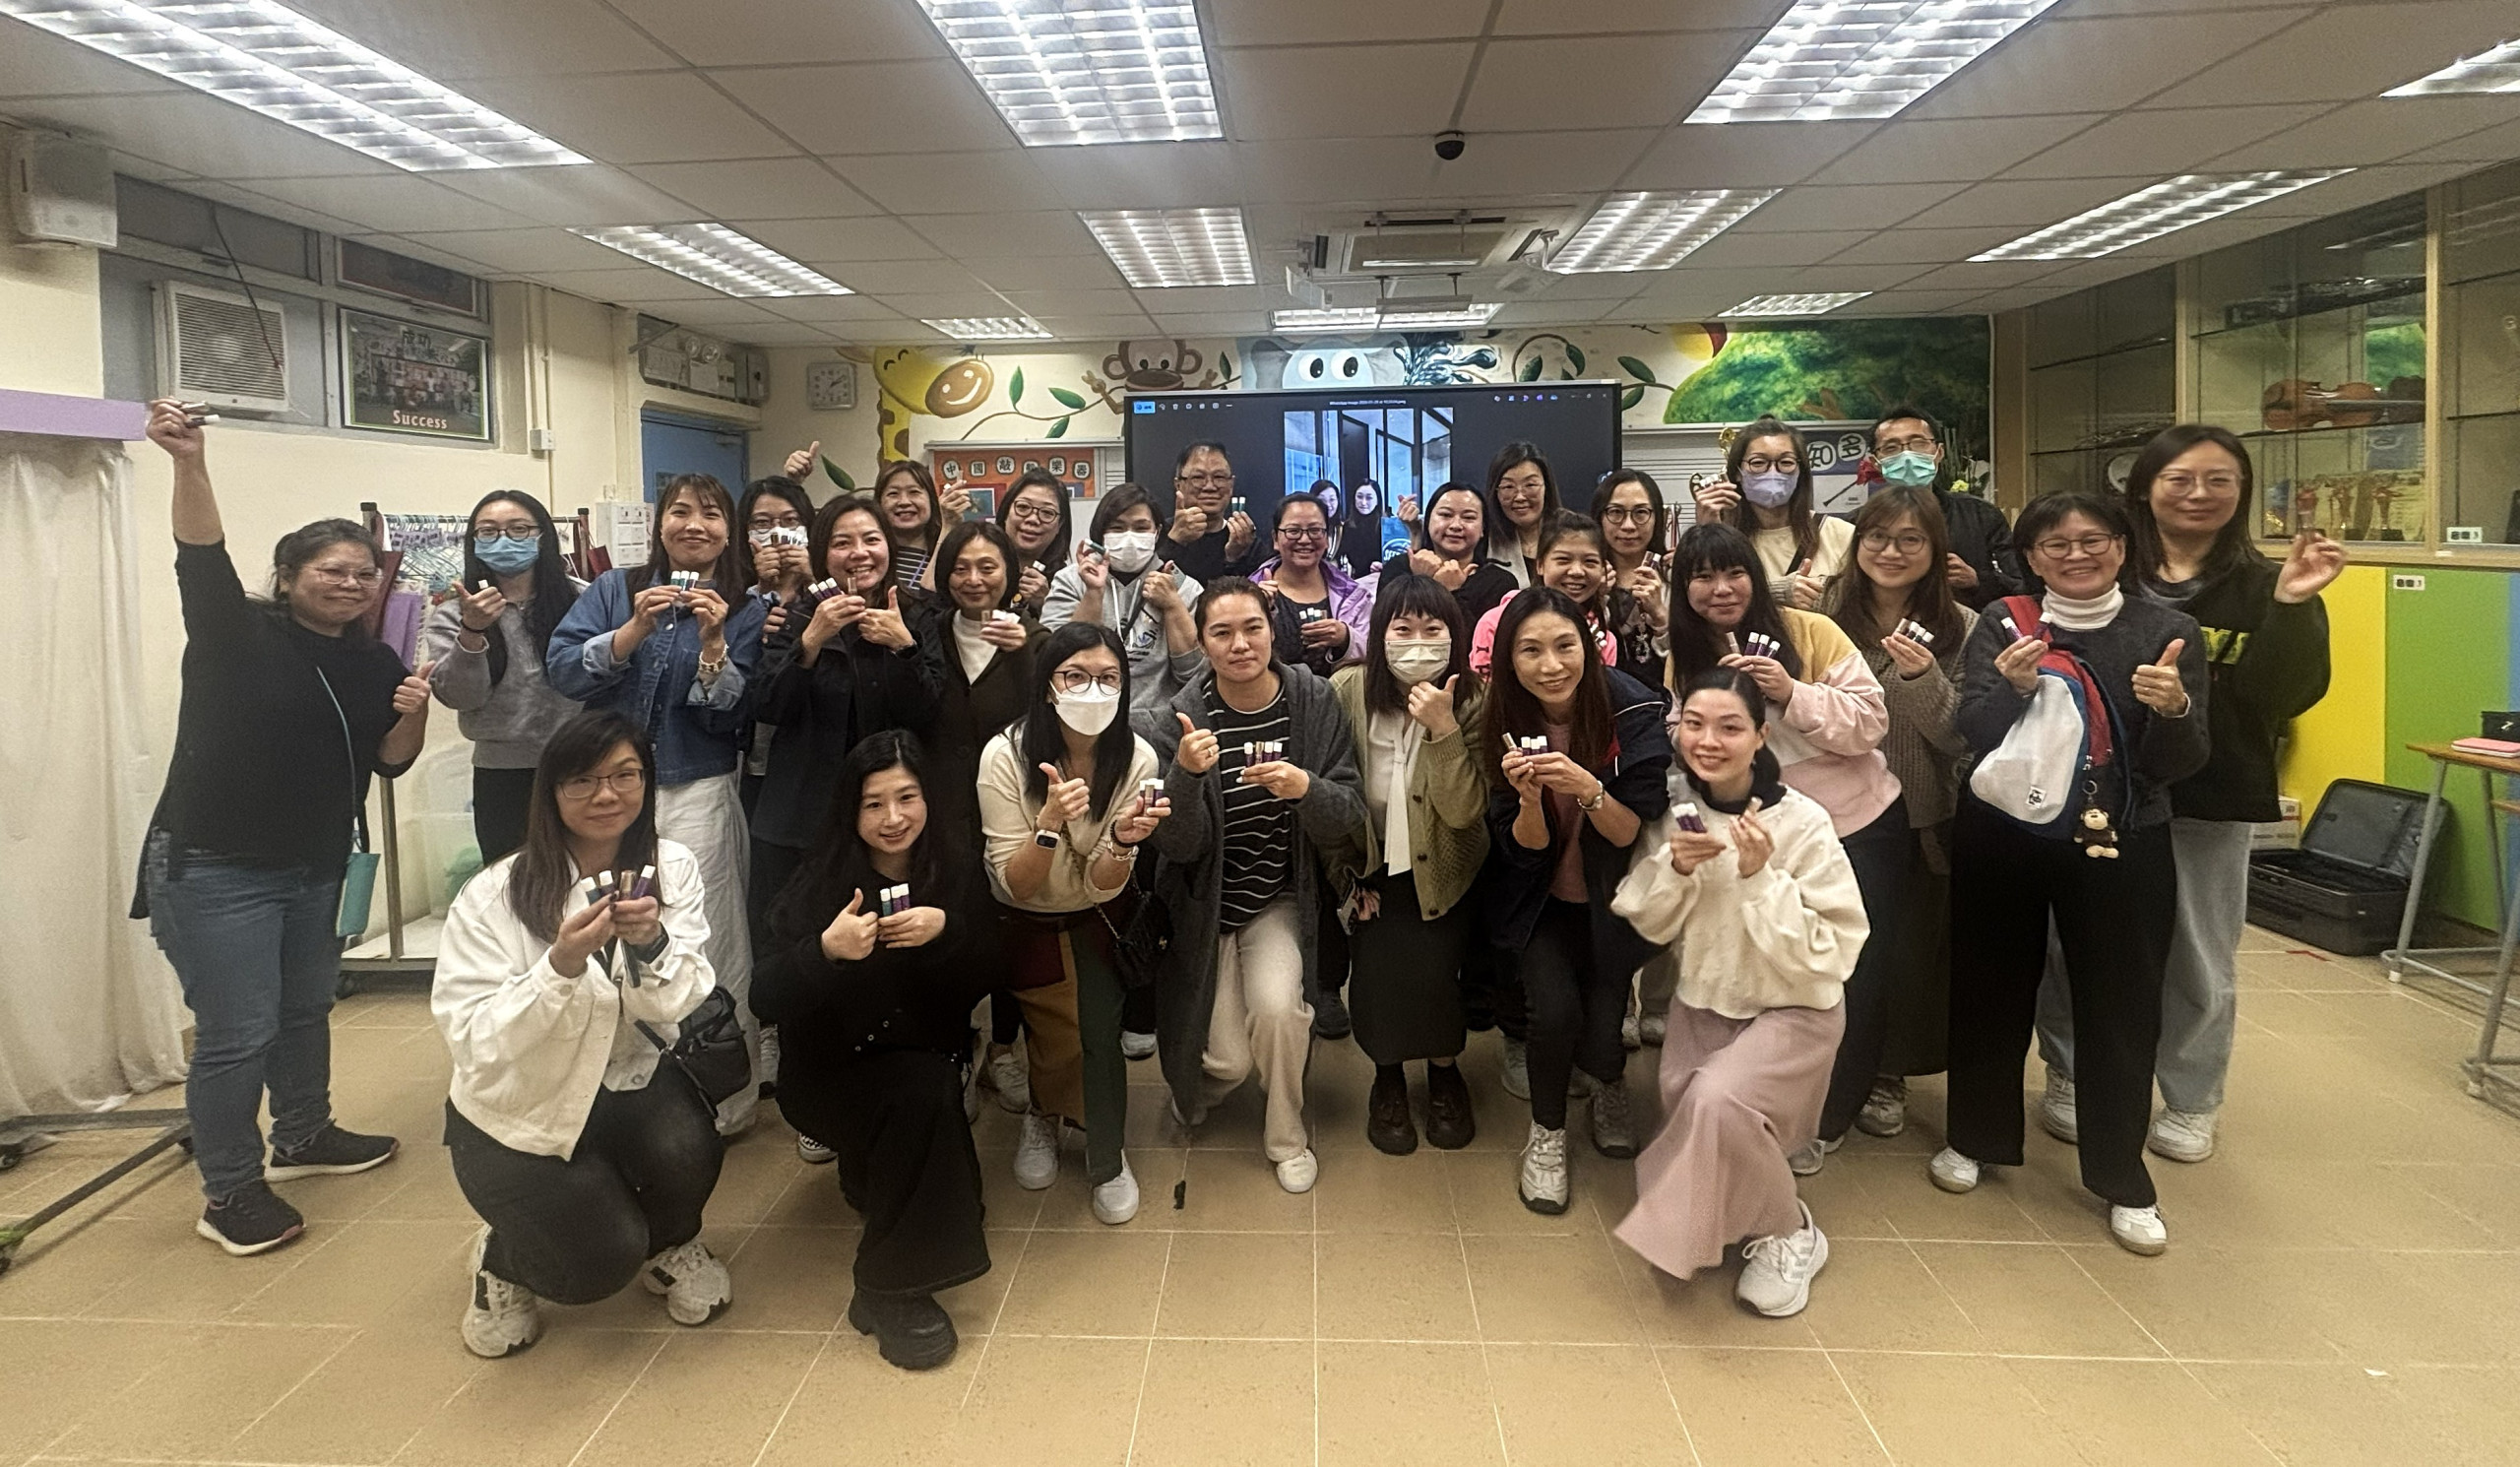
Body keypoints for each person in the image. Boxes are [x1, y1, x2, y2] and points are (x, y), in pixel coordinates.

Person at [136, 400, 425, 1256]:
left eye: (364, 574)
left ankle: (304, 1134)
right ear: (290, 575)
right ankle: (228, 1191)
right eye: (333, 570)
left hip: (316, 865)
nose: (351, 584)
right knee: (236, 1034)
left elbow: (390, 761)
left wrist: (414, 708)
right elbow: (200, 554)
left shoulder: (372, 658)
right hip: (216, 866)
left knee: (304, 1009)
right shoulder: (235, 632)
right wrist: (189, 462)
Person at [2035, 426, 2341, 1165]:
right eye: (2180, 479)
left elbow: (2282, 696)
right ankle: (2072, 1071)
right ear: (2144, 488)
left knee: (2196, 953)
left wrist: (2292, 607)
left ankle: (2192, 1096)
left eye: (2218, 480)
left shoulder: (2268, 582)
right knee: (2072, 941)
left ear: (2241, 492)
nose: (2198, 494)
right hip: (2096, 791)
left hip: (2211, 791)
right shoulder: (2108, 565)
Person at [1935, 489, 2210, 1257]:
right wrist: (2013, 689)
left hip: (2122, 836)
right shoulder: (2005, 620)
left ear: (2123, 546)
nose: (2076, 555)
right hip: (2003, 832)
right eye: (2056, 544)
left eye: (2093, 540)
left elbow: (2181, 765)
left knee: (2121, 1002)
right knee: (1988, 985)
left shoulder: (2167, 631)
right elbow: (1971, 732)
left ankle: (2121, 1175)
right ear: (2031, 556)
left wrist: (2174, 710)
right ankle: (1976, 1137)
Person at [433, 713, 732, 1358]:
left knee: (692, 1153)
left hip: (628, 1077)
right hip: (521, 1109)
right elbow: (475, 1042)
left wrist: (652, 943)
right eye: (584, 781)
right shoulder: (494, 895)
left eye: (626, 775)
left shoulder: (670, 866)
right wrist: (560, 967)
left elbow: (678, 1000)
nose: (607, 795)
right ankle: (503, 1261)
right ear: (551, 791)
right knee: (598, 1262)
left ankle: (668, 1245)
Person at [1608, 670, 1868, 1318]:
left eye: (1729, 727)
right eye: (1694, 724)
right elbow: (1645, 919)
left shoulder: (1802, 821)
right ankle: (1746, 1217)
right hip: (1706, 1001)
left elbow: (1834, 948)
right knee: (1698, 1117)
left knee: (1717, 1103)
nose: (1708, 741)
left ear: (1760, 737)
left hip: (1794, 1008)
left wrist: (1759, 879)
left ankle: (1792, 1232)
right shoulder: (1678, 814)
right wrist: (1675, 867)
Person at [754, 732, 1001, 1370]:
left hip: (925, 1065)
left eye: (907, 798)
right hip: (832, 1076)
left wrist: (947, 931)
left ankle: (869, 1172)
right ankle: (888, 1289)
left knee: (951, 1186)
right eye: (873, 804)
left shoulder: (951, 869)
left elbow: (992, 970)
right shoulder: (821, 882)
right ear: (850, 810)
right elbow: (764, 996)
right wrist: (824, 951)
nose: (893, 818)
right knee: (923, 1108)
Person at [1664, 521, 1899, 1176]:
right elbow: (1684, 743)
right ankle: (1759, 1106)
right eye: (1702, 577)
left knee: (1843, 978)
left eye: (1733, 572)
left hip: (1851, 825)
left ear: (1755, 578)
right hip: (1754, 840)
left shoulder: (1810, 632)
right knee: (1769, 973)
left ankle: (1827, 1118)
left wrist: (1791, 692)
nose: (1720, 588)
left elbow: (1871, 721)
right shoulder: (1686, 653)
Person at [547, 473, 770, 1133]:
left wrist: (713, 643)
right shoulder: (615, 590)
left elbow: (730, 713)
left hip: (695, 787)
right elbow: (564, 670)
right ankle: (617, 1088)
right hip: (608, 793)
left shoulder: (743, 606)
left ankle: (723, 1097)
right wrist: (632, 631)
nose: (694, 524)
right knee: (606, 929)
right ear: (659, 523)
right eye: (680, 511)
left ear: (728, 533)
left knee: (708, 935)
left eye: (711, 514)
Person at [1146, 580, 1366, 1193]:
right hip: (1206, 905)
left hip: (1278, 897)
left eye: (1253, 628)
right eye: (1221, 632)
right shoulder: (1178, 719)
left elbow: (1348, 811)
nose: (1240, 644)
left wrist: (1306, 788)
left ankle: (1286, 1134)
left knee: (1278, 1013)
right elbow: (1178, 847)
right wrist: (1186, 775)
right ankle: (1204, 1084)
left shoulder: (1313, 699)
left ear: (1273, 630)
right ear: (1202, 641)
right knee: (1227, 1059)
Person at [1481, 588, 1672, 1213]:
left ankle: (1609, 1081)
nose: (1551, 665)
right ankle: (1547, 1134)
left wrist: (1589, 789)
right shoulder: (1503, 717)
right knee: (1553, 1013)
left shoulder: (1633, 709)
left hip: (1612, 897)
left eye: (1565, 646)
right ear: (1508, 659)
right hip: (1541, 899)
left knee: (1604, 1021)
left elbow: (1627, 832)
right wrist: (1530, 802)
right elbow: (1525, 849)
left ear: (1590, 646)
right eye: (1530, 651)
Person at [976, 623, 1170, 1222]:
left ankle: (1106, 1155)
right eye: (1076, 676)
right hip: (1026, 919)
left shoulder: (1137, 757)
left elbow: (1102, 884)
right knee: (1049, 1033)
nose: (1093, 690)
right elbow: (1017, 882)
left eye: (1108, 678)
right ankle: (1043, 1115)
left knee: (1098, 1036)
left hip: (1098, 917)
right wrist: (1049, 824)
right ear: (1048, 685)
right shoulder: (1004, 755)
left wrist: (1124, 841)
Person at [1820, 486, 1977, 1140]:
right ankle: (1821, 1069)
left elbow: (1961, 734)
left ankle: (1888, 1072)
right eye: (1877, 537)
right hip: (1825, 816)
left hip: (1915, 817)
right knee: (1831, 953)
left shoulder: (1963, 627)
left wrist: (1920, 680)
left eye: (1911, 539)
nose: (1891, 551)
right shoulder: (1822, 614)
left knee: (1902, 954)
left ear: (1935, 550)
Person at [1326, 574, 1488, 1154]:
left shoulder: (1473, 698)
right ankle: (1388, 1078)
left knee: (1439, 976)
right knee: (1375, 979)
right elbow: (1332, 791)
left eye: (1432, 629)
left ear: (1454, 636)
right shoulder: (1346, 690)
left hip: (1447, 867)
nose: (1418, 643)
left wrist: (1443, 729)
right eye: (1403, 629)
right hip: (1370, 866)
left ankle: (1444, 1073)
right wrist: (1345, 879)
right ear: (1379, 634)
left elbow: (1465, 811)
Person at [751, 496, 940, 990]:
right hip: (804, 815)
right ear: (822, 554)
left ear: (888, 547)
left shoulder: (917, 614)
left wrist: (904, 646)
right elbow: (767, 708)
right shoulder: (795, 617)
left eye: (871, 539)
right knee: (803, 941)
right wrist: (811, 641)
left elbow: (932, 714)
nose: (859, 553)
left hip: (889, 814)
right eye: (842, 543)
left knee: (889, 941)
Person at [921, 519, 1049, 1116]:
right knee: (947, 930)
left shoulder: (1037, 640)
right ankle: (956, 1050)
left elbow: (1049, 721)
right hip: (939, 808)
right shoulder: (927, 632)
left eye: (988, 567)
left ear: (1010, 573)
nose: (974, 579)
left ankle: (1004, 1049)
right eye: (961, 568)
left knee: (1008, 928)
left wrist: (1024, 656)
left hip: (1011, 808)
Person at [421, 489, 585, 863]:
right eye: (489, 531)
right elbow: (461, 697)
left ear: (542, 536)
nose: (504, 540)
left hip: (580, 763)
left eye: (519, 529)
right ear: (474, 542)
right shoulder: (453, 613)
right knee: (508, 881)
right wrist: (472, 631)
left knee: (587, 874)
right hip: (502, 773)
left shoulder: (582, 600)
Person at [1041, 484, 1204, 736]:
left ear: (1157, 532)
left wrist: (1173, 606)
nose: (1129, 537)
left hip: (1157, 727)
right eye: (1117, 528)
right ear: (1100, 533)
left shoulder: (1184, 587)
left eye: (1141, 528)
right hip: (1081, 722)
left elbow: (1192, 675)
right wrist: (1093, 593)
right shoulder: (1070, 581)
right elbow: (1054, 663)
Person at [1690, 417, 1856, 610]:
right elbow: (1701, 601)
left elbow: (1861, 602)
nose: (1773, 472)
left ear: (1800, 471)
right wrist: (1707, 534)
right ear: (1737, 472)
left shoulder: (1841, 534)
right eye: (1758, 463)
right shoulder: (1723, 532)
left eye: (1786, 462)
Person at [1869, 405, 2019, 607]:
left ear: (1939, 452)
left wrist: (1977, 580)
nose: (1907, 456)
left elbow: (2020, 584)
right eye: (1891, 448)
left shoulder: (1980, 516)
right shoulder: (1859, 524)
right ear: (1876, 463)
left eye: (1918, 443)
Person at [734, 474, 817, 813]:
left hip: (819, 748)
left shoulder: (828, 583)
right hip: (759, 755)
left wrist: (812, 575)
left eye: (790, 520)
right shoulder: (736, 594)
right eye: (762, 523)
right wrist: (765, 591)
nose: (777, 532)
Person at [1469, 511, 1627, 677]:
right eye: (1563, 560)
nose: (1577, 571)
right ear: (1540, 565)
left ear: (1603, 569)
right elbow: (1482, 688)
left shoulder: (1604, 639)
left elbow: (1598, 692)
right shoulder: (1495, 622)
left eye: (1590, 562)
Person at [1255, 492, 1373, 678]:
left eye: (1315, 530)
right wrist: (1257, 610)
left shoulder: (1353, 595)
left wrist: (1346, 638)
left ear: (1326, 538)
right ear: (1276, 538)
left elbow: (1375, 651)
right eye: (1293, 531)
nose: (1304, 540)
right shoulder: (1251, 591)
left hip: (1336, 694)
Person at [1592, 468, 1672, 686]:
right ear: (1600, 517)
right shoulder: (1584, 577)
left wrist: (1660, 617)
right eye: (1616, 512)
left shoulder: (1675, 578)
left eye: (1640, 513)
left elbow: (1689, 664)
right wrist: (1595, 602)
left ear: (1658, 518)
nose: (1628, 525)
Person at [1407, 481, 1520, 621]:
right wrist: (1422, 581)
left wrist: (1451, 591)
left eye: (1468, 517)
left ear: (1483, 528)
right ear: (1428, 521)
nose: (1456, 525)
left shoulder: (1500, 582)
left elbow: (1478, 634)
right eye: (1446, 515)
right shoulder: (1402, 567)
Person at [1162, 441, 1262, 583]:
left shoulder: (1244, 540)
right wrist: (1174, 541)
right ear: (1178, 485)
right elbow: (1144, 584)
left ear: (1231, 485)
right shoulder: (1158, 533)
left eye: (1219, 477)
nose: (1210, 486)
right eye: (1198, 477)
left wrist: (1233, 559)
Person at [869, 460, 968, 592]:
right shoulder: (872, 556)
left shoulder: (956, 552)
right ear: (879, 503)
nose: (904, 502)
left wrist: (948, 526)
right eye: (893, 494)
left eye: (914, 492)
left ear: (931, 500)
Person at [996, 467, 1073, 618]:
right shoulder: (981, 571)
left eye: (1047, 513)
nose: (1033, 519)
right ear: (1006, 512)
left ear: (1060, 525)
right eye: (1023, 507)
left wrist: (1046, 603)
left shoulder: (1068, 583)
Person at [1483, 442, 1560, 588]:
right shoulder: (1483, 541)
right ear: (1495, 492)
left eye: (1530, 485)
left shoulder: (1569, 534)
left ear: (1546, 487)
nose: (1520, 497)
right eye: (1508, 487)